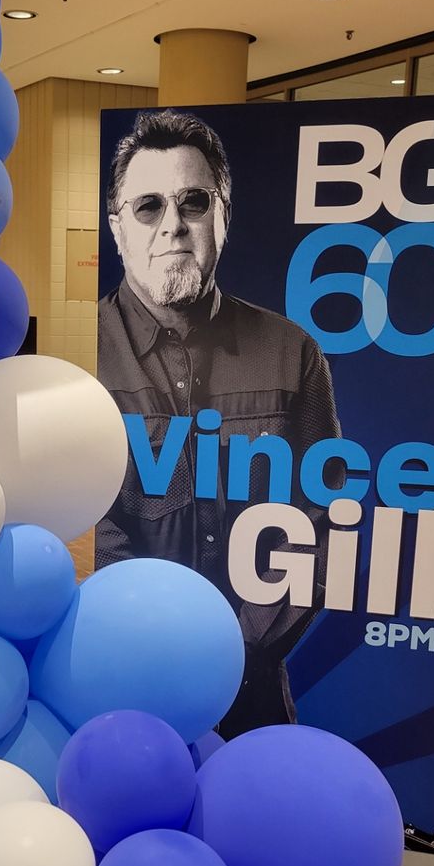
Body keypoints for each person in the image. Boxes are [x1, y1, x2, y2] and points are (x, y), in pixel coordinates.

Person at [95, 107, 341, 736]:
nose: (173, 226)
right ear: (117, 226)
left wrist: (238, 645)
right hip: (115, 683)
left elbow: (323, 521)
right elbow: (81, 528)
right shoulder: (76, 356)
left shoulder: (291, 352)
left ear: (223, 216)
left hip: (252, 692)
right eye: (148, 206)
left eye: (194, 203)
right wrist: (152, 645)